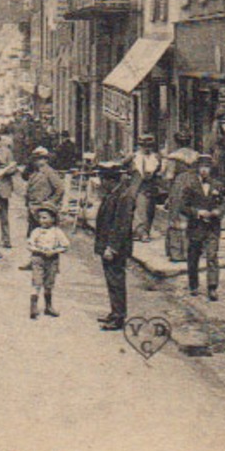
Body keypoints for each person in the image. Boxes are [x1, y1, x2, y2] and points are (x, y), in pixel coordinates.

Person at [92, 159, 138, 331]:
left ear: (110, 180)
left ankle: (119, 316)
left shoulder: (124, 196)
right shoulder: (115, 193)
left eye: (103, 179)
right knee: (111, 280)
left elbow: (121, 225)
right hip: (108, 245)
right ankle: (114, 312)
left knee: (116, 280)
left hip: (115, 247)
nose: (101, 183)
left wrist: (112, 247)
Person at [174, 153, 225, 301]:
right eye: (202, 167)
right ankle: (193, 285)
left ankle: (212, 288)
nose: (204, 170)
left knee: (212, 256)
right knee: (193, 257)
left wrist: (218, 211)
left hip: (212, 227)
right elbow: (183, 206)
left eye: (207, 167)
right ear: (198, 168)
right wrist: (197, 212)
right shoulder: (190, 186)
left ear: (211, 169)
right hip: (196, 227)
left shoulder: (217, 185)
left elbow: (222, 203)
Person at [25, 205, 70, 320]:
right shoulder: (36, 231)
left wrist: (54, 250)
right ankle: (33, 307)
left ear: (53, 219)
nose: (42, 221)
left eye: (45, 218)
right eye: (40, 218)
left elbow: (66, 245)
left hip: (52, 260)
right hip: (38, 259)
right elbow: (29, 245)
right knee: (37, 282)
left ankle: (48, 306)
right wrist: (38, 249)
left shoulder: (57, 232)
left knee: (49, 283)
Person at [130, 134, 165, 241]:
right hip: (139, 186)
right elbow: (125, 165)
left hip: (151, 186)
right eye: (144, 146)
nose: (147, 148)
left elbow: (159, 170)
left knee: (150, 209)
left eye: (149, 146)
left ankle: (146, 230)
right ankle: (141, 232)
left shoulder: (156, 157)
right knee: (141, 208)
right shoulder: (134, 157)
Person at [23, 146, 66, 232]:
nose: (37, 161)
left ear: (46, 160)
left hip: (43, 209)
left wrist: (51, 202)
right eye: (36, 159)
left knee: (45, 235)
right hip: (33, 208)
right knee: (32, 235)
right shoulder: (34, 172)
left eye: (40, 159)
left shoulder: (49, 172)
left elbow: (60, 189)